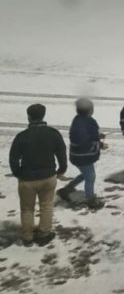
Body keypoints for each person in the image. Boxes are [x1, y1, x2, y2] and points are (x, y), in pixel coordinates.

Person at [8, 103, 67, 246]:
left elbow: (13, 158)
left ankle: (27, 236)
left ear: (29, 117)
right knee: (46, 206)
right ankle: (44, 233)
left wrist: (18, 173)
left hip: (27, 179)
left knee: (27, 208)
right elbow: (61, 153)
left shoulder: (22, 136)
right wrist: (61, 169)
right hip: (48, 176)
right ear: (43, 116)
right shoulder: (53, 133)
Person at [58, 98, 107, 209]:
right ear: (89, 110)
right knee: (90, 177)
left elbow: (87, 136)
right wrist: (100, 145)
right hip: (83, 156)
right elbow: (84, 141)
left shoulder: (78, 121)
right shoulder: (88, 122)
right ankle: (90, 200)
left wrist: (98, 136)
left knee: (85, 174)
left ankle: (67, 189)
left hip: (77, 156)